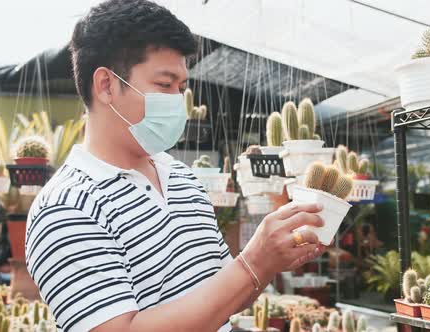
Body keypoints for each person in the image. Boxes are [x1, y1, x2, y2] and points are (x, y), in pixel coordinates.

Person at [26, 1, 325, 331]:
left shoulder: (182, 178)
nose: (177, 102)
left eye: (181, 88)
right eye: (164, 85)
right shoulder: (66, 207)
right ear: (106, 85)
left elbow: (223, 295)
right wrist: (253, 263)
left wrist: (271, 259)